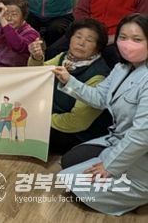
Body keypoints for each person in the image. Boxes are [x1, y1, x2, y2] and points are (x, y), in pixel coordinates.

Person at [55, 14, 148, 216]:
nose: (128, 44)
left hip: (142, 152)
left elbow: (142, 135)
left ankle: (141, 198)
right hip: (119, 140)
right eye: (123, 37)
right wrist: (68, 80)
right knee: (69, 163)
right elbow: (99, 97)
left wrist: (110, 166)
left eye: (137, 39)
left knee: (78, 188)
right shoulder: (121, 68)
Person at [28, 18, 111, 155]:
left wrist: (41, 119)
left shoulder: (98, 75)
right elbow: (37, 75)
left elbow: (77, 122)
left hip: (77, 133)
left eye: (89, 40)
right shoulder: (64, 57)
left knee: (24, 132)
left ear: (98, 47)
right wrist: (36, 58)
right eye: (78, 37)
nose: (81, 43)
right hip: (53, 117)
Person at [0, 0, 39, 67]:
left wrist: (4, 22)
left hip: (16, 71)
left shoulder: (32, 34)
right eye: (5, 14)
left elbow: (18, 46)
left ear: (23, 16)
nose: (9, 18)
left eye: (14, 14)